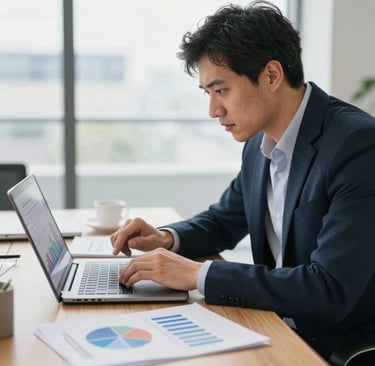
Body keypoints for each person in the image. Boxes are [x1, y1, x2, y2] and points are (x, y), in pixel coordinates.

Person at [111, 1, 375, 362]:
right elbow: (224, 220)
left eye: (222, 91)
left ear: (271, 75)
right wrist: (165, 238)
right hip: (272, 325)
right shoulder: (259, 142)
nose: (213, 111)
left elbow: (328, 289)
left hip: (335, 345)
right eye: (208, 94)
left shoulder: (357, 146)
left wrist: (198, 274)